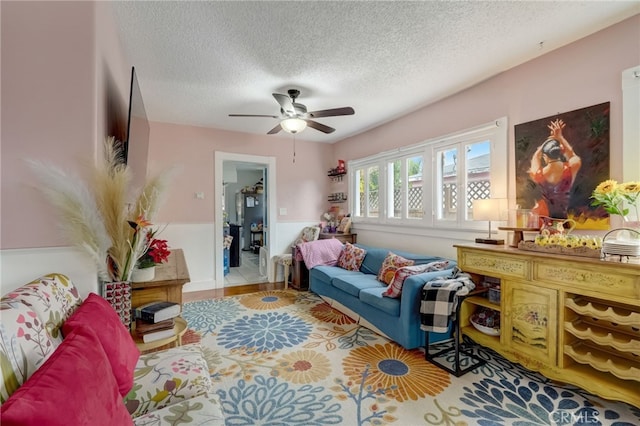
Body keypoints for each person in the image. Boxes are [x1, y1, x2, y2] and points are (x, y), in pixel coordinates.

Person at [528, 119, 581, 219]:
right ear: (560, 152)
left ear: (545, 156)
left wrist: (548, 141)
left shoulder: (538, 174)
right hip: (563, 220)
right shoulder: (571, 167)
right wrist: (559, 137)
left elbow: (535, 156)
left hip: (543, 219)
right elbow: (572, 155)